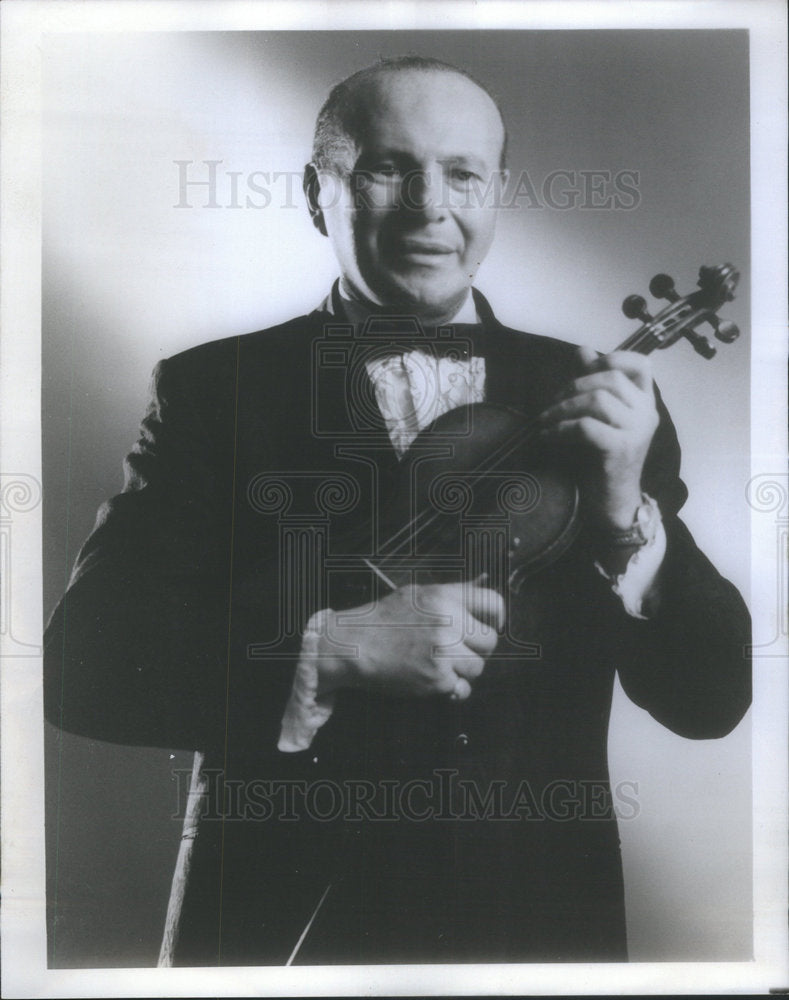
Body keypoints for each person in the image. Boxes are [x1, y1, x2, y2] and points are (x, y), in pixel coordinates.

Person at [44, 56, 751, 965]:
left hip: (533, 923)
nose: (429, 205)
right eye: (388, 167)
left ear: (496, 193)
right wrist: (327, 649)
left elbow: (711, 700)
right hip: (279, 921)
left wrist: (622, 516)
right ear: (318, 193)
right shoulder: (218, 391)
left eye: (463, 173)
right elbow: (84, 663)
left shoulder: (594, 398)